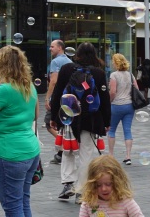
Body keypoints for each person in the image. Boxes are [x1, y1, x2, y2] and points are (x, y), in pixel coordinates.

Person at [0, 46, 41, 217]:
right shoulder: (29, 87)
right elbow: (35, 115)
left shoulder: (4, 90)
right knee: (23, 201)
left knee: (12, 206)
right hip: (31, 150)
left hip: (10, 152)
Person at [49, 43, 109, 201]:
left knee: (68, 150)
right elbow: (104, 99)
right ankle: (81, 191)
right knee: (86, 154)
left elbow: (57, 94)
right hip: (91, 118)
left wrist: (54, 117)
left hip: (68, 116)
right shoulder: (99, 73)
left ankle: (68, 183)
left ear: (78, 54)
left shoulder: (67, 69)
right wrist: (106, 121)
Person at [77, 156, 144, 217]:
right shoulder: (88, 203)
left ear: (117, 182)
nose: (104, 189)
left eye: (108, 184)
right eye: (98, 185)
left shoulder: (125, 201)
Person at [107, 53, 137, 163]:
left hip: (116, 105)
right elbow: (137, 88)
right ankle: (128, 156)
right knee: (127, 130)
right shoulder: (130, 75)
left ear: (115, 63)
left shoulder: (113, 75)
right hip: (129, 106)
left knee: (111, 130)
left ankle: (111, 155)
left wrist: (109, 101)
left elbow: (113, 92)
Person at [45, 39, 71, 165]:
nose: (50, 49)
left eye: (52, 46)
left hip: (57, 97)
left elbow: (53, 81)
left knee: (49, 124)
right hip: (68, 98)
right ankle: (62, 150)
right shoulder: (70, 61)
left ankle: (63, 147)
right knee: (63, 124)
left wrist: (47, 97)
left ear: (60, 48)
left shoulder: (55, 62)